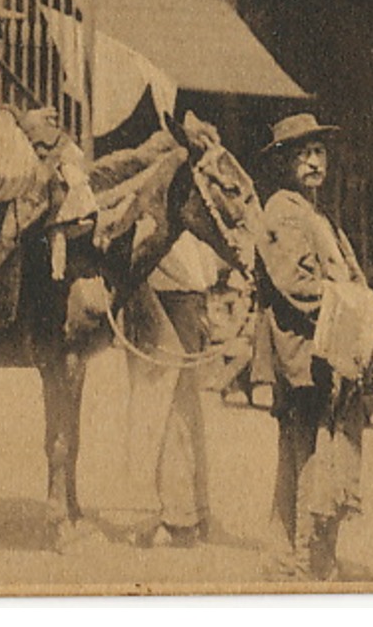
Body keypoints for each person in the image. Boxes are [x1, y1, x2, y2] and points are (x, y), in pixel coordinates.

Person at [255, 112, 373, 581]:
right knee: (309, 450)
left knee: (311, 447)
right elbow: (297, 283)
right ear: (284, 163)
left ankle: (288, 551)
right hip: (303, 349)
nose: (312, 161)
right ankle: (306, 555)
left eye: (318, 152)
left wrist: (363, 305)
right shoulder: (282, 212)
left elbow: (343, 271)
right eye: (302, 154)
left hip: (328, 344)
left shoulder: (316, 211)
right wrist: (351, 304)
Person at [123, 230, 226, 548]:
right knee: (160, 406)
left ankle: (189, 511)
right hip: (159, 297)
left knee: (184, 408)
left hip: (191, 297)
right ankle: (169, 515)